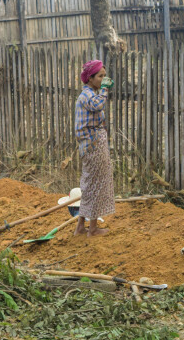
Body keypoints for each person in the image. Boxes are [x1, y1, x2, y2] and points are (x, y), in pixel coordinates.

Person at [74, 60, 115, 237]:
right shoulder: (87, 96)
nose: (103, 79)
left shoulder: (89, 94)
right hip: (93, 145)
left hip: (90, 144)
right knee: (96, 184)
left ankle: (80, 227)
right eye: (100, 76)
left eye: (104, 76)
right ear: (90, 78)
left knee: (89, 184)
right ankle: (92, 229)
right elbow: (98, 105)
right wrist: (105, 90)